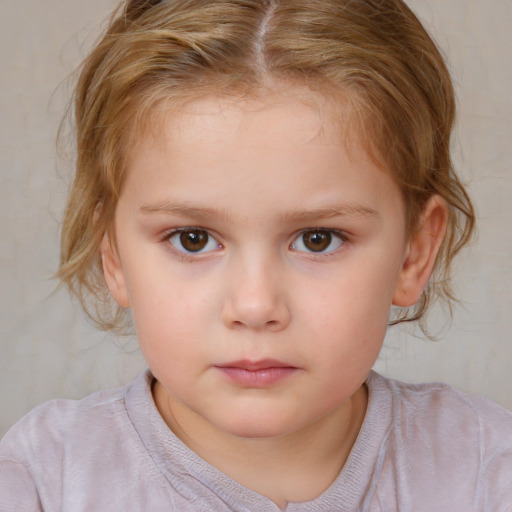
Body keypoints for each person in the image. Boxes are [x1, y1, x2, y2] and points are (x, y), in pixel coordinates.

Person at [1, 0, 511, 510]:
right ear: (112, 253)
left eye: (318, 239)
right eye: (193, 239)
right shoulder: (42, 482)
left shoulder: (487, 469)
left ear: (412, 254)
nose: (254, 306)